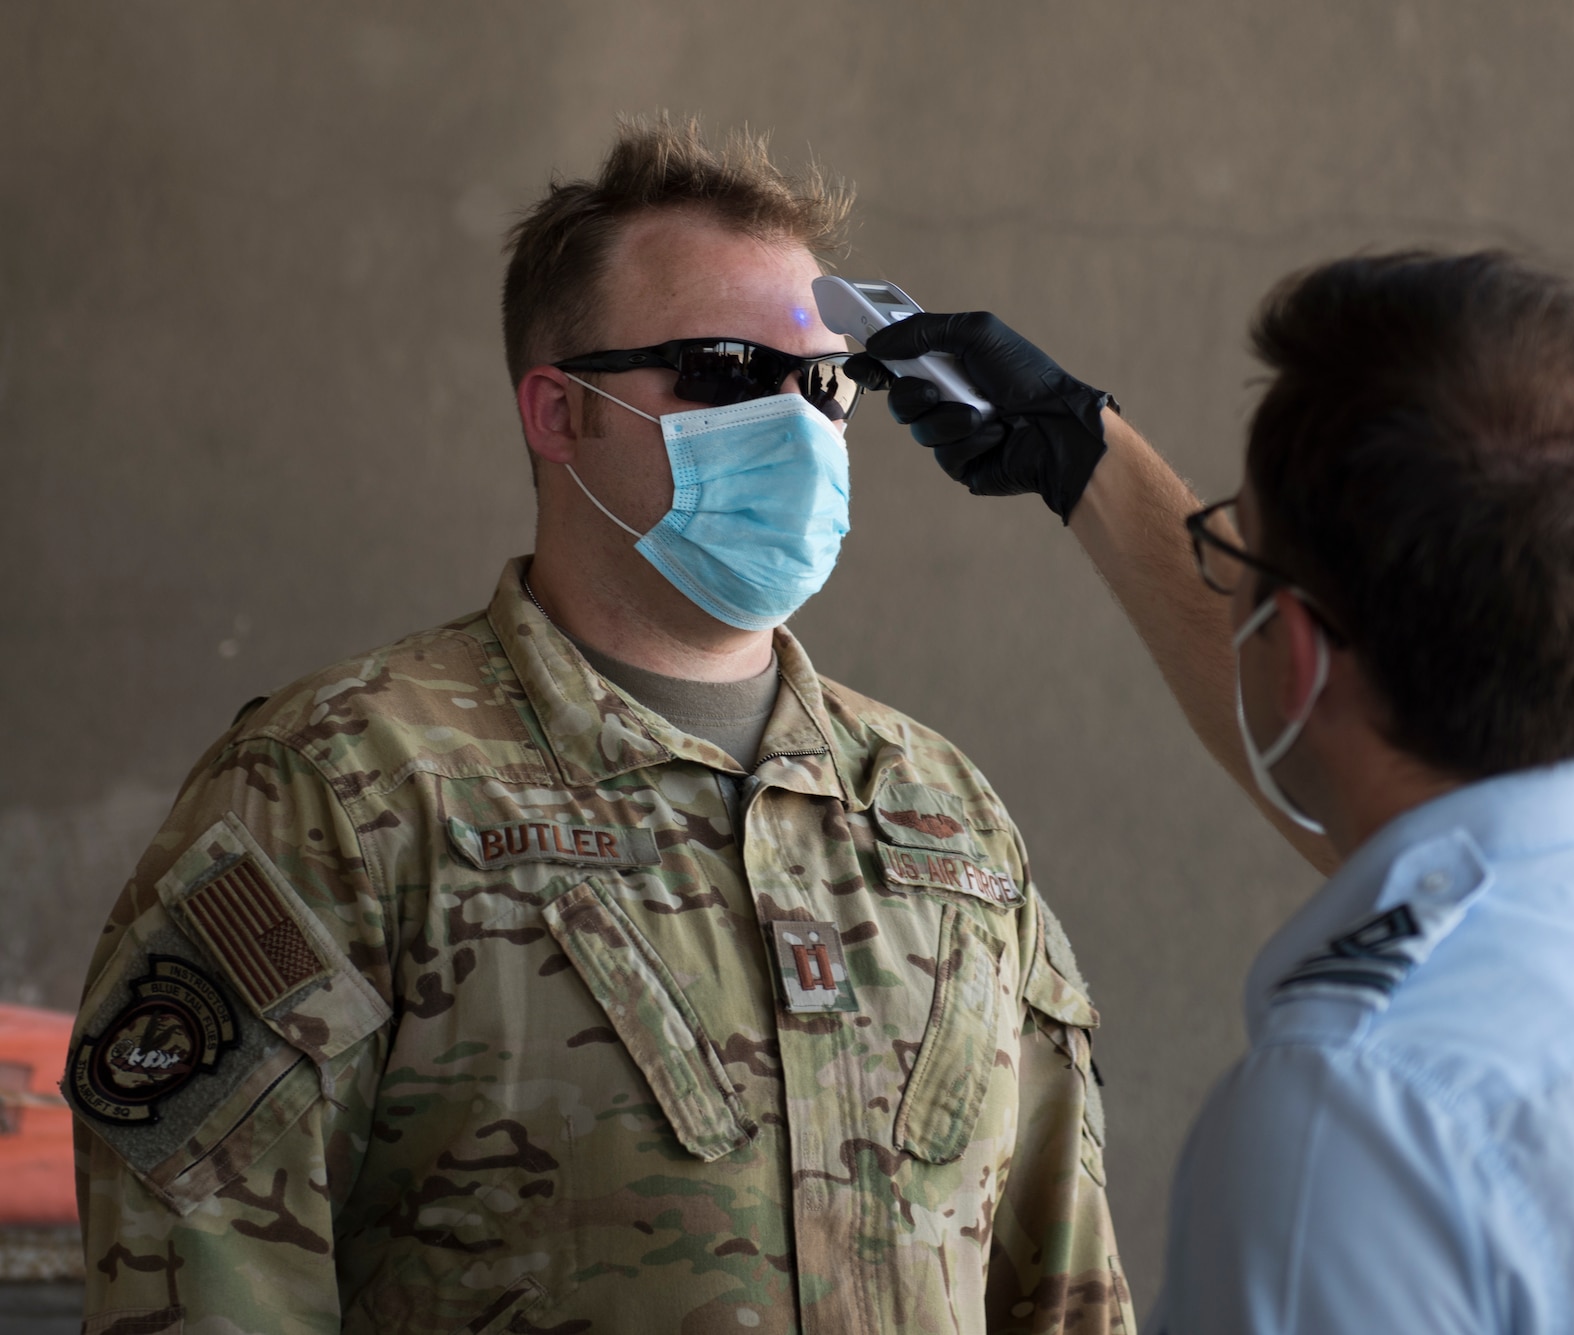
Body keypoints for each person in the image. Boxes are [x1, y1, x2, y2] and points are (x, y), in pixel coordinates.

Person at [66, 115, 1131, 1334]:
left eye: (827, 384)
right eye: (727, 371)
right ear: (557, 413)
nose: (796, 424)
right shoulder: (342, 789)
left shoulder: (941, 813)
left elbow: (1068, 1289)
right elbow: (208, 1285)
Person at [851, 251, 1574, 1331]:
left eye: (1228, 557)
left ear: (1292, 653)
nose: (1223, 581)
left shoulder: (1347, 1123)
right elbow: (1426, 819)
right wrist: (1079, 452)